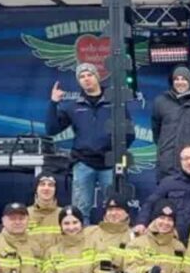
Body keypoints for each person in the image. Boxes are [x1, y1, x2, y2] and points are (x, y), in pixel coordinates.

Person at [47, 63, 134, 219]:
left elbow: (129, 132)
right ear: (79, 81)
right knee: (80, 211)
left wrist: (115, 152)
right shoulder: (73, 106)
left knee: (115, 211)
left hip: (110, 164)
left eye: (89, 75)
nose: (86, 79)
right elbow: (52, 129)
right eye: (82, 76)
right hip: (83, 164)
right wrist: (53, 103)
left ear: (97, 77)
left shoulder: (115, 103)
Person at [136, 144, 190, 243]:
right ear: (180, 161)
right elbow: (150, 203)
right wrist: (141, 223)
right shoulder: (168, 183)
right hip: (172, 240)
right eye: (185, 159)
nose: (189, 162)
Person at [151, 65, 190, 181]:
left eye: (184, 79)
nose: (180, 82)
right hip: (167, 167)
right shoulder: (160, 102)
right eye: (176, 79)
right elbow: (156, 132)